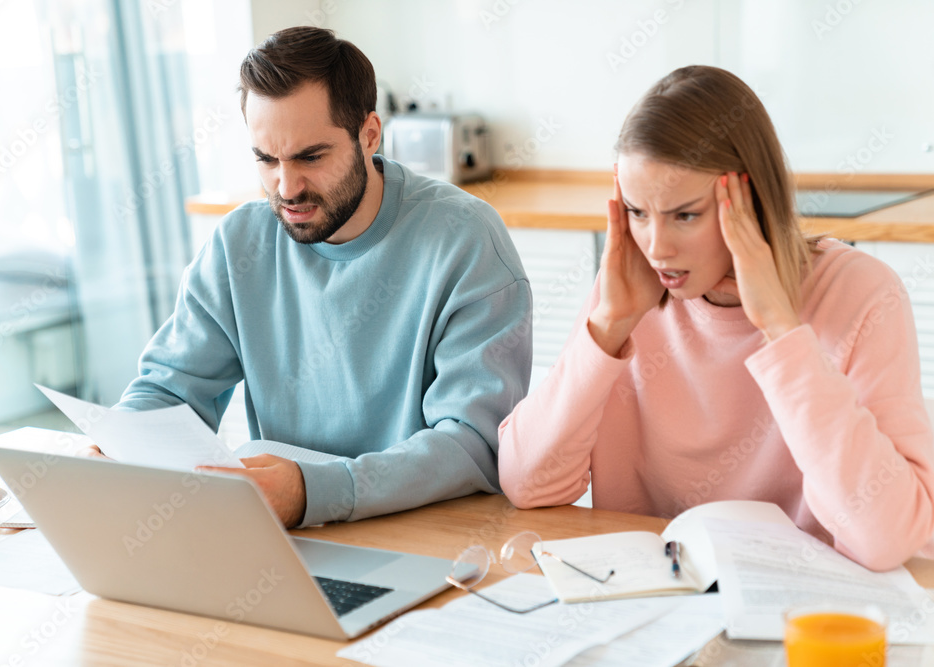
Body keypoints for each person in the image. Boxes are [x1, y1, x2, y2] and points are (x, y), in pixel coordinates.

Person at [498, 65, 934, 571]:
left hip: (799, 606)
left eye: (685, 214)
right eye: (638, 213)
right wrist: (609, 325)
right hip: (655, 603)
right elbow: (527, 484)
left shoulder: (861, 293)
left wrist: (781, 330)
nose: (657, 248)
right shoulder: (630, 292)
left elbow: (886, 538)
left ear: (749, 201)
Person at [98, 26, 532, 528]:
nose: (286, 187)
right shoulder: (240, 242)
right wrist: (121, 444)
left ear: (369, 134)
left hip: (429, 533)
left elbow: (472, 445)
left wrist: (313, 493)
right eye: (266, 159)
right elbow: (170, 390)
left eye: (310, 156)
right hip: (287, 537)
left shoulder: (465, 240)